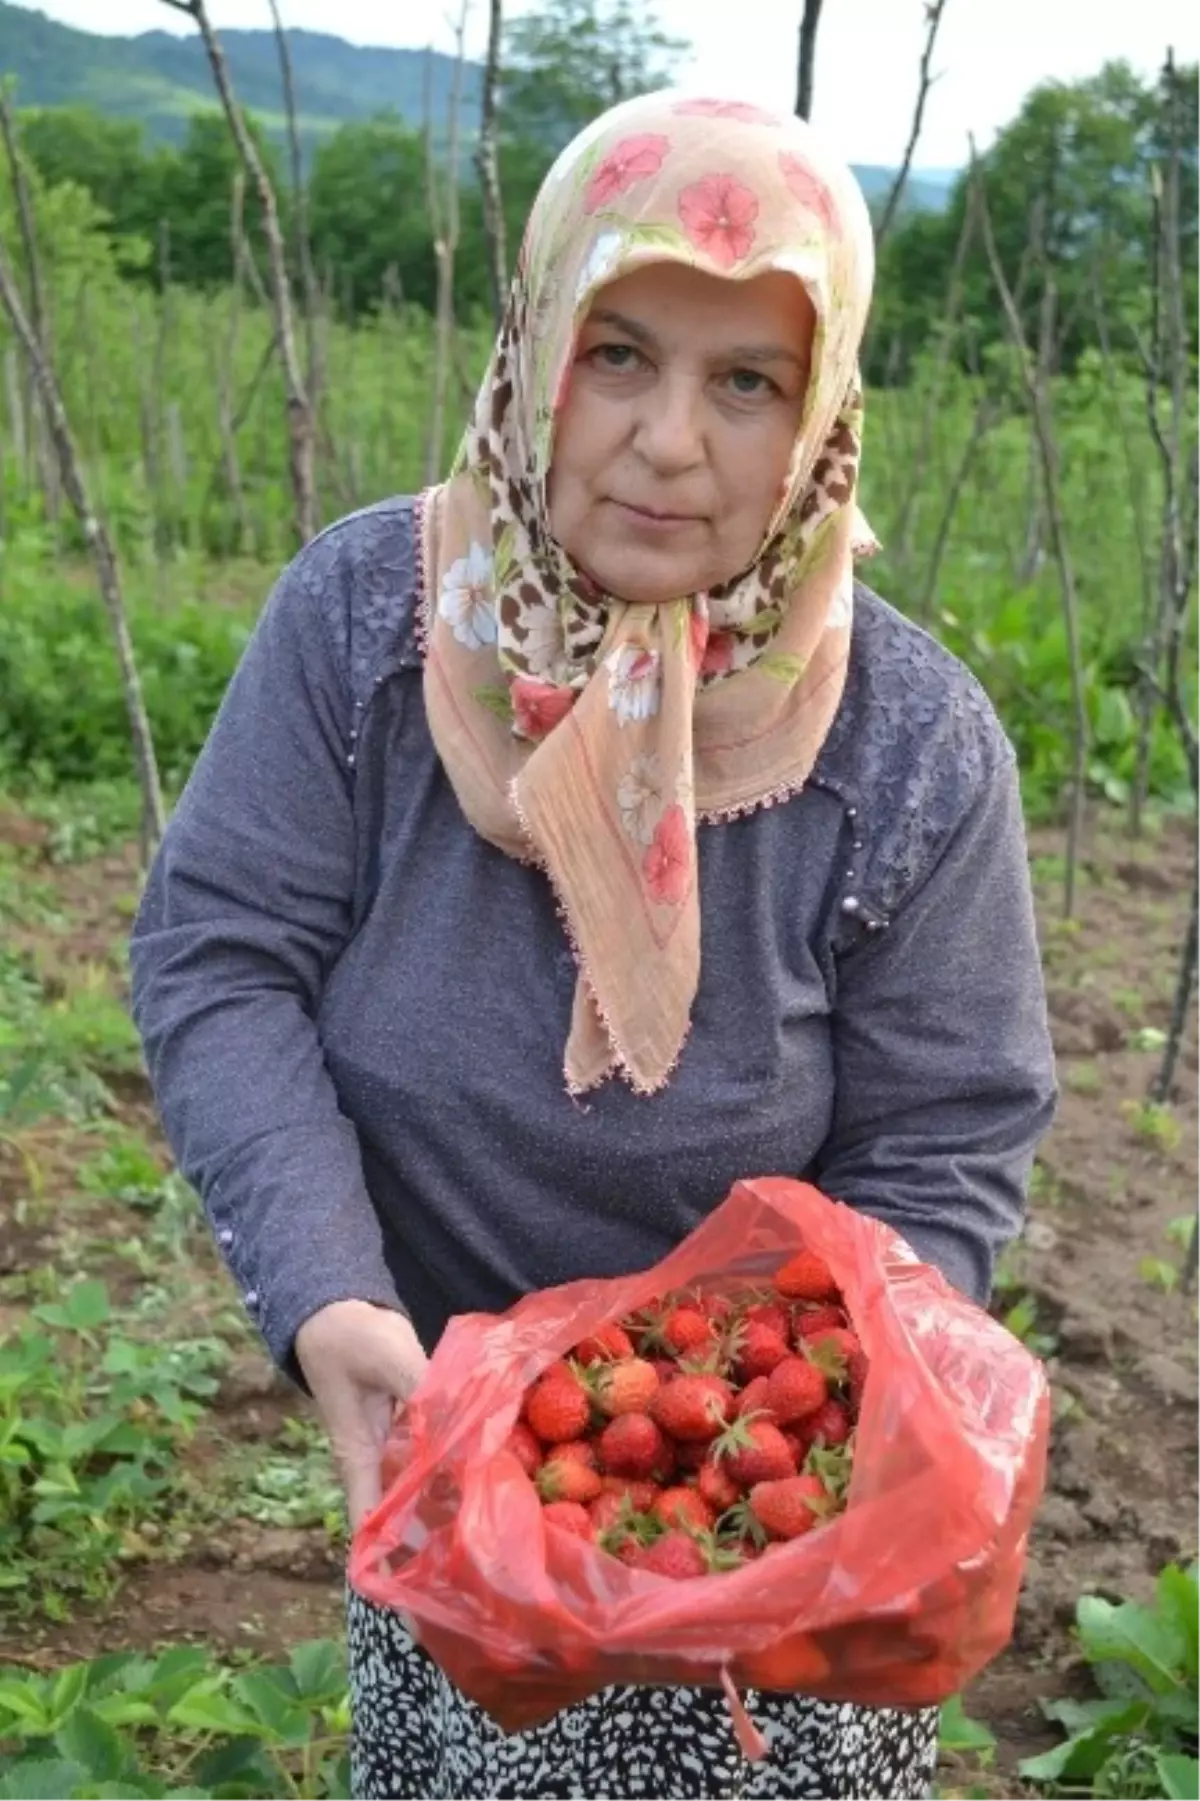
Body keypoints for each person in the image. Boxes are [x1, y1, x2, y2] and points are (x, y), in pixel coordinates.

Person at [130, 89, 1056, 1801]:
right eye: (619, 354)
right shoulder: (365, 628)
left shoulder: (907, 743)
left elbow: (949, 1132)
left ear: (823, 419)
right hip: (441, 1457)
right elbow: (223, 955)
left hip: (768, 1541)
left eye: (747, 383)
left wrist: (831, 1435)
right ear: (535, 339)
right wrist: (336, 1297)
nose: (667, 439)